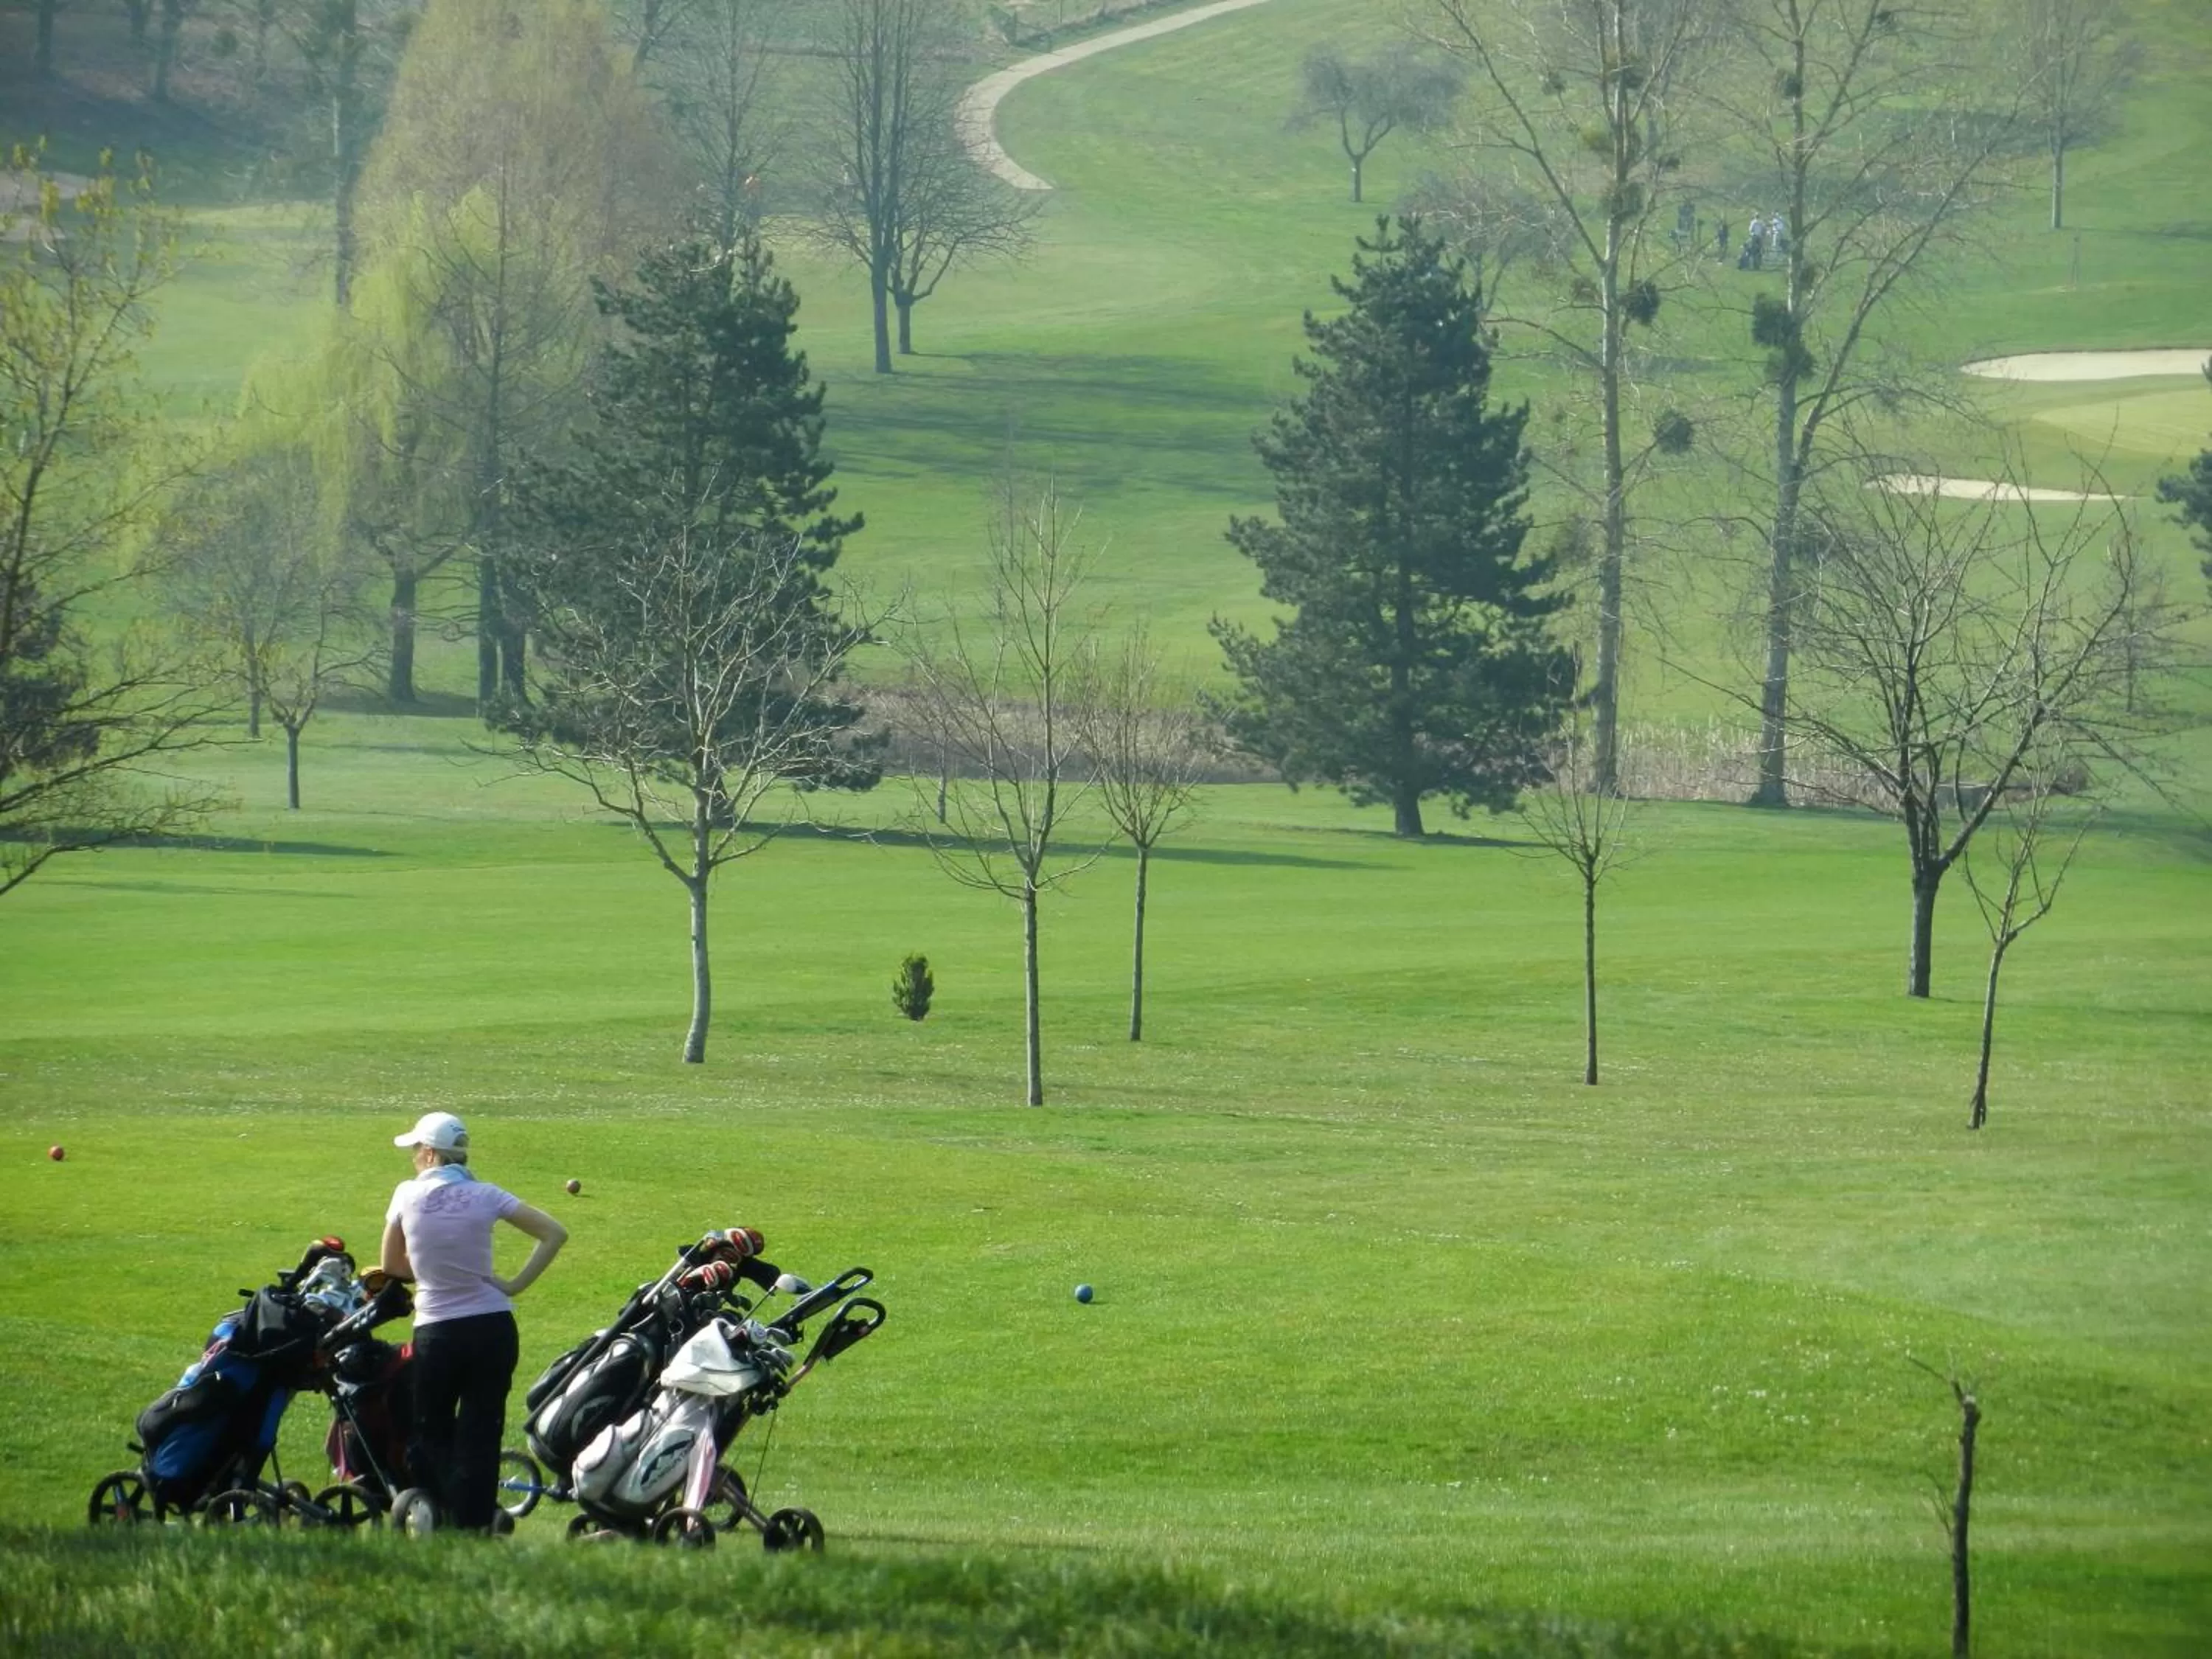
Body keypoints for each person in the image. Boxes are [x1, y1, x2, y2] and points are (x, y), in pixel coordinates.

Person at [381, 1110, 567, 1531]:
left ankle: (440, 1515)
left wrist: (432, 1270)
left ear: (430, 1153)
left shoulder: (406, 1195)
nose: (413, 1157)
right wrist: (513, 1285)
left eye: (415, 1150)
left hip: (438, 1330)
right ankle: (476, 1523)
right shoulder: (487, 1195)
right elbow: (554, 1233)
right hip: (493, 1327)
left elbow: (391, 1263)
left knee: (432, 1430)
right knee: (482, 1432)